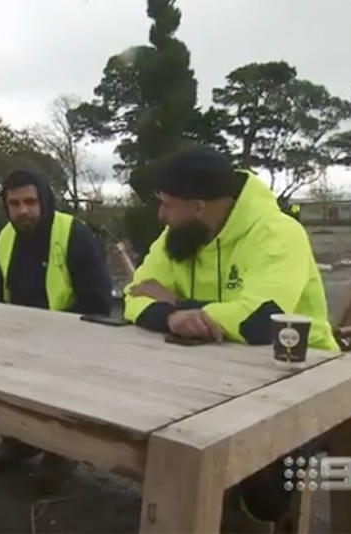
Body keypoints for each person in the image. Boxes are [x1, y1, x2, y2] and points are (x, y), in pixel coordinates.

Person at [123, 146, 337, 523]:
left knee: (263, 494)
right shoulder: (178, 237)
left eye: (168, 205)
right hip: (213, 373)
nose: (161, 215)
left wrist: (178, 303)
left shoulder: (279, 232)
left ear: (199, 207)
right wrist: (175, 316)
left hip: (303, 374)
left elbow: (262, 318)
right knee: (141, 425)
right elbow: (133, 297)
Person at [0, 167, 113, 493]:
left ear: (45, 201)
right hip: (20, 339)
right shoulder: (4, 238)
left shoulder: (74, 234)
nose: (23, 211)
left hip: (75, 341)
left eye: (30, 201)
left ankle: (61, 452)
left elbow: (99, 302)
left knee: (60, 384)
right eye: (14, 204)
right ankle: (19, 438)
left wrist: (50, 331)